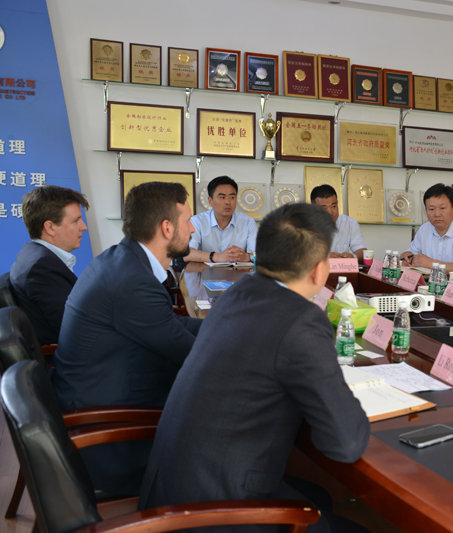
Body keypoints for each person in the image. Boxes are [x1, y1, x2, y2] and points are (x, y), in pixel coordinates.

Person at [138, 203, 371, 532]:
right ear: (320, 270)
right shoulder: (301, 320)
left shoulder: (238, 292)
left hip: (174, 489)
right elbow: (346, 444)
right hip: (218, 512)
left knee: (318, 496)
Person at [52, 181, 203, 495]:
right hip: (110, 436)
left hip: (102, 396)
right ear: (166, 228)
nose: (192, 229)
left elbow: (170, 326)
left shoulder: (122, 260)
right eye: (188, 221)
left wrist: (224, 325)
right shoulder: (133, 281)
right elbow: (193, 356)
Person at [9, 186, 89, 345]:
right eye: (75, 221)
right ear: (50, 227)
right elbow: (75, 329)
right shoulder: (42, 268)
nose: (84, 227)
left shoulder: (32, 254)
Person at [399, 183, 453, 273]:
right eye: (431, 209)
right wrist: (407, 257)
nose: (437, 214)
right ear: (426, 211)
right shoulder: (424, 229)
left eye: (442, 208)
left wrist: (431, 263)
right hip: (427, 280)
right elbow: (412, 254)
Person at [183, 176, 257, 263]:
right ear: (210, 201)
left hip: (237, 271)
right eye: (222, 197)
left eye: (232, 197)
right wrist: (217, 257)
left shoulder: (247, 222)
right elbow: (187, 254)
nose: (228, 202)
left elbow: (262, 253)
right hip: (204, 271)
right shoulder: (197, 221)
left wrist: (247, 257)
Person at [311, 184, 366, 260]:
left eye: (333, 206)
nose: (330, 212)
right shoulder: (304, 227)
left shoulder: (350, 223)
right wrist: (323, 257)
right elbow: (299, 256)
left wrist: (353, 257)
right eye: (324, 208)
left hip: (343, 267)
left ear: (337, 203)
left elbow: (362, 250)